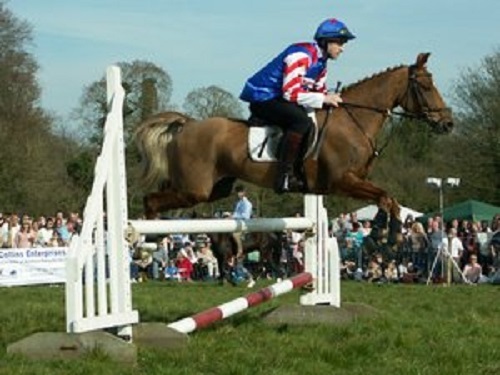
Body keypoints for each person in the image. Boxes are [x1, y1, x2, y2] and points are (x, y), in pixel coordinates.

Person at [240, 18, 355, 193]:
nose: (342, 49)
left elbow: (318, 92)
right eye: (339, 43)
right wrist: (324, 99)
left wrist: (330, 99)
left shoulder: (321, 63)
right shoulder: (301, 55)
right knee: (301, 122)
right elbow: (291, 93)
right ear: (325, 42)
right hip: (262, 97)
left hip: (280, 98)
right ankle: (284, 176)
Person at [231, 185, 253, 260]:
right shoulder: (238, 203)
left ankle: (240, 250)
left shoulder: (247, 203)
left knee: (235, 234)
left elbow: (246, 216)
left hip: (245, 224)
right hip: (237, 222)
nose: (238, 194)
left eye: (240, 192)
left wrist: (233, 216)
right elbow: (236, 213)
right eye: (237, 192)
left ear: (244, 193)